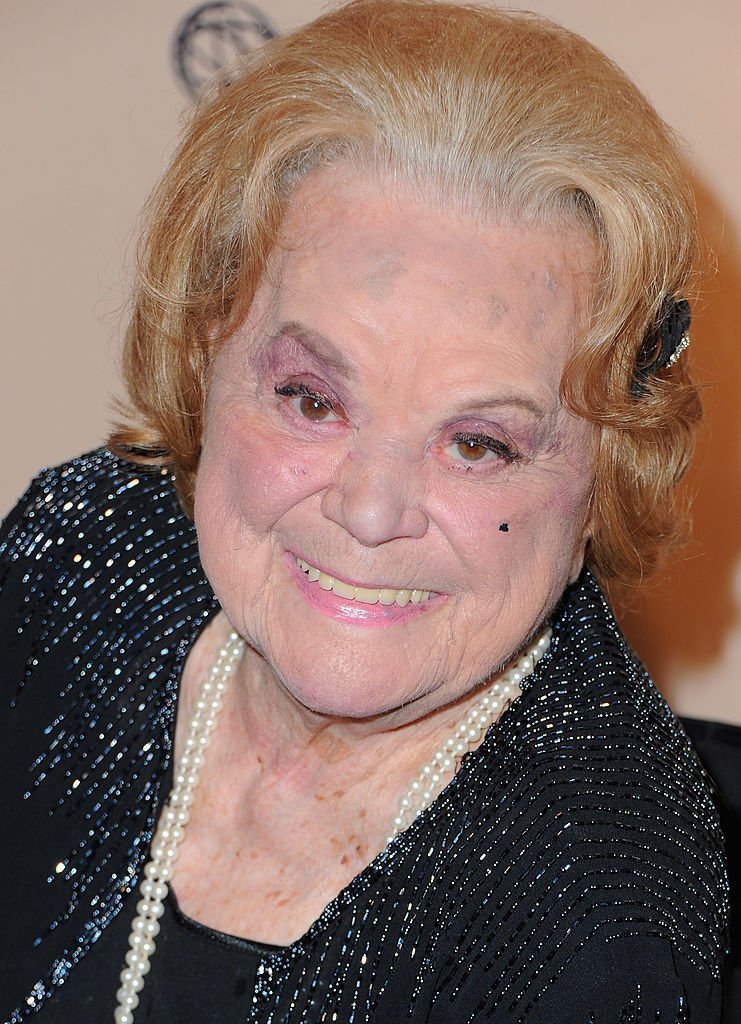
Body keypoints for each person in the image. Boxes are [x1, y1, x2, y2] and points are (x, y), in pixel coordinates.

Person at [0, 1, 729, 1021]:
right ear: (207, 351)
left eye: (480, 444)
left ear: (606, 479)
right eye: (312, 398)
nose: (372, 509)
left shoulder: (603, 916)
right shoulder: (81, 556)